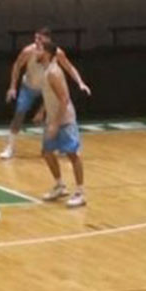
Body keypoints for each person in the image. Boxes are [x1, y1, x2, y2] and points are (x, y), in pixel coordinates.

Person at [0, 28, 90, 160]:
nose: (36, 41)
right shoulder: (29, 51)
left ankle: (62, 146)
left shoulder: (57, 53)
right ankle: (10, 147)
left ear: (48, 40)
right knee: (19, 113)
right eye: (35, 38)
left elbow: (69, 67)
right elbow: (17, 66)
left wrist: (80, 82)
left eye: (40, 39)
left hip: (47, 87)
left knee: (56, 114)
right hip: (29, 86)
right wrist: (12, 87)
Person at [34, 39, 85, 208]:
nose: (35, 52)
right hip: (52, 119)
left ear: (47, 53)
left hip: (64, 120)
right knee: (47, 152)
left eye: (39, 49)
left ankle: (80, 193)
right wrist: (42, 111)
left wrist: (55, 124)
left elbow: (64, 99)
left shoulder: (53, 73)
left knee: (72, 154)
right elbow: (51, 95)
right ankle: (60, 186)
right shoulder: (46, 70)